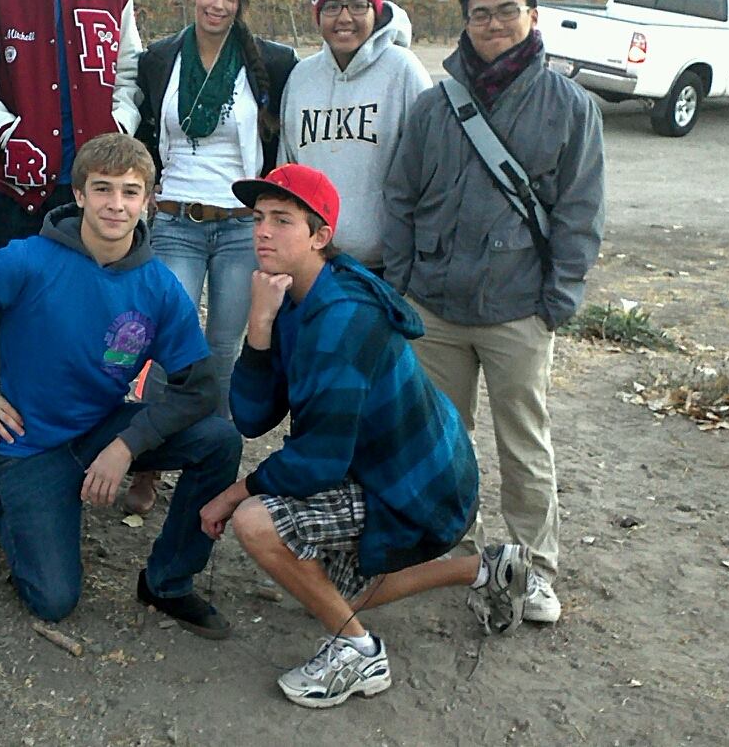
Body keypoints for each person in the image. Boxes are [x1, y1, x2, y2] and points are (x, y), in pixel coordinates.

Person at [199, 164, 530, 708]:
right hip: (389, 469)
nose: (262, 232)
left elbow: (319, 460)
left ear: (320, 236)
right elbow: (253, 418)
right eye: (258, 218)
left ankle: (359, 654)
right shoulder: (292, 297)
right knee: (326, 588)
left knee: (257, 522)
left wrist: (234, 493)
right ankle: (486, 569)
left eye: (282, 220)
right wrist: (258, 331)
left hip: (422, 486)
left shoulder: (342, 316)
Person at [0, 133, 241, 636]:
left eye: (130, 192)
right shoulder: (30, 260)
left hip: (102, 428)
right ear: (79, 195)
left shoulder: (158, 286)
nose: (116, 204)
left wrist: (127, 445)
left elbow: (198, 388)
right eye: (102, 189)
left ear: (148, 200)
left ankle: (168, 582)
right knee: (52, 600)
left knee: (220, 439)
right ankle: (6, 501)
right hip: (29, 440)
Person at [383, 0, 606, 625]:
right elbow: (401, 198)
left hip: (519, 311)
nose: (493, 24)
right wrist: (403, 287)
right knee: (441, 444)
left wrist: (556, 302)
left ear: (532, 15)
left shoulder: (570, 107)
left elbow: (581, 212)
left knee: (524, 445)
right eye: (480, 13)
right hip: (435, 309)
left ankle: (534, 570)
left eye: (507, 10)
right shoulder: (434, 107)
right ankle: (456, 553)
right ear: (466, 21)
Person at [127, 0, 297, 514]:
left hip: (240, 226)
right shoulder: (161, 58)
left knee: (223, 349)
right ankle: (148, 459)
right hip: (176, 219)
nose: (218, 4)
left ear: (241, 3)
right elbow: (143, 128)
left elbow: (282, 141)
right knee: (165, 343)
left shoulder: (272, 61)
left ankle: (209, 466)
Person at [0, 0, 142, 387]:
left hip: (91, 192)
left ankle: (83, 416)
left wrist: (117, 129)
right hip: (20, 191)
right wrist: (6, 134)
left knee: (91, 313)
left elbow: (129, 74)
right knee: (7, 310)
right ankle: (6, 419)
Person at [279, 0, 431, 275]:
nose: (345, 17)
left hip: (386, 266)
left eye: (358, 5)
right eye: (332, 6)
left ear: (376, 12)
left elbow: (429, 168)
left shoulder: (403, 70)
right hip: (314, 264)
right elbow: (288, 168)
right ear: (318, 15)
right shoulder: (301, 77)